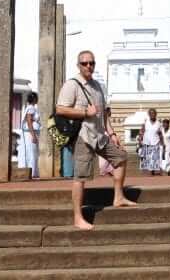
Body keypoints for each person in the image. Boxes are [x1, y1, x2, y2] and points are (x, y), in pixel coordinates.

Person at [56, 50, 136, 229]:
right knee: (81, 177)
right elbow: (60, 109)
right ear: (78, 65)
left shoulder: (98, 86)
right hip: (83, 136)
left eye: (91, 63)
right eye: (84, 63)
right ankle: (78, 218)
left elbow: (104, 114)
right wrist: (85, 112)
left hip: (100, 135)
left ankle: (118, 197)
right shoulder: (72, 84)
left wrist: (112, 134)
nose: (88, 66)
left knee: (121, 157)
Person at [138, 108, 165, 175]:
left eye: (154, 113)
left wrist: (162, 143)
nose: (152, 115)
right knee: (148, 158)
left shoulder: (159, 124)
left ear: (156, 114)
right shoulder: (145, 123)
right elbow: (141, 132)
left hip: (155, 142)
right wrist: (140, 141)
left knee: (154, 158)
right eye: (151, 113)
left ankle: (152, 171)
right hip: (146, 143)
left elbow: (160, 134)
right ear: (149, 114)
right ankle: (150, 172)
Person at [20, 92, 40, 178]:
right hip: (30, 133)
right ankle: (31, 173)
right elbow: (29, 122)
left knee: (33, 152)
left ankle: (32, 172)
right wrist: (33, 135)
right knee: (31, 152)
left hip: (31, 132)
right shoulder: (31, 108)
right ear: (34, 99)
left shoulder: (30, 108)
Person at [99, 106, 120, 176]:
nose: (110, 112)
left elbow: (110, 129)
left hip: (107, 137)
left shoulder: (107, 118)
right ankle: (106, 170)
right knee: (105, 156)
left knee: (107, 156)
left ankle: (107, 170)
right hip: (104, 137)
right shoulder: (104, 118)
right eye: (109, 111)